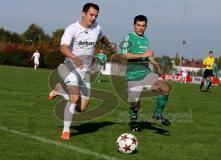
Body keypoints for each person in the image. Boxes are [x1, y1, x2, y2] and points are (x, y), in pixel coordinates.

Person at [48, 3, 113, 140]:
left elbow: (102, 37)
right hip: (69, 68)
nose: (94, 18)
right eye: (91, 15)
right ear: (83, 13)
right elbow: (63, 48)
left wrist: (109, 45)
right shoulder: (72, 28)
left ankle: (60, 91)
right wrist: (74, 57)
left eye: (96, 15)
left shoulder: (97, 28)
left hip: (85, 73)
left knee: (82, 109)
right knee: (74, 98)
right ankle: (66, 131)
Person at [119, 15, 172, 132]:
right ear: (134, 25)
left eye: (143, 26)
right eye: (138, 25)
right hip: (132, 76)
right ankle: (133, 122)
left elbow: (148, 56)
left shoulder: (146, 39)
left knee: (165, 88)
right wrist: (141, 55)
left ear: (146, 26)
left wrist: (156, 65)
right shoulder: (129, 37)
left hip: (146, 73)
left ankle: (157, 114)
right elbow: (124, 55)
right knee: (135, 105)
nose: (141, 28)